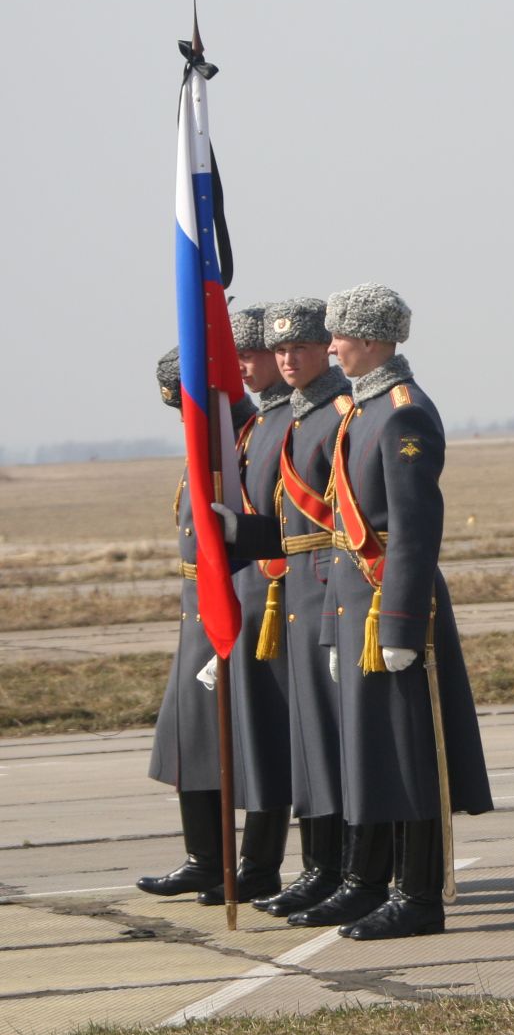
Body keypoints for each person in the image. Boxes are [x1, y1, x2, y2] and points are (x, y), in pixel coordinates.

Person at [305, 283, 492, 939]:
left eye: (340, 335)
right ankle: (370, 883)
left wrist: (404, 625)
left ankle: (417, 897)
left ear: (375, 339)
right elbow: (338, 529)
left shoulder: (402, 413)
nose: (331, 345)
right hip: (358, 609)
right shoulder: (364, 410)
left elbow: (413, 529)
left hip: (393, 607)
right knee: (374, 754)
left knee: (412, 758)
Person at [136, 346, 258, 898]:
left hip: (234, 604)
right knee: (187, 737)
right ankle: (205, 857)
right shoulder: (208, 442)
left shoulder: (243, 442)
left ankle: (252, 866)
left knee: (251, 745)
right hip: (198, 608)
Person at [253, 298, 356, 918]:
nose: (287, 359)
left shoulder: (340, 413)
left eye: (300, 348)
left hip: (330, 585)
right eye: (281, 350)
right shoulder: (299, 415)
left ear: (328, 348)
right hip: (297, 587)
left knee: (335, 738)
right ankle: (320, 866)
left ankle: (345, 867)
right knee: (310, 738)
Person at [216, 304, 295, 904]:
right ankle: (258, 863)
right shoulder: (256, 423)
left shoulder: (297, 419)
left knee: (301, 741)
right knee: (264, 740)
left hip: (290, 593)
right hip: (255, 594)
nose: (241, 368)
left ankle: (332, 866)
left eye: (248, 355)